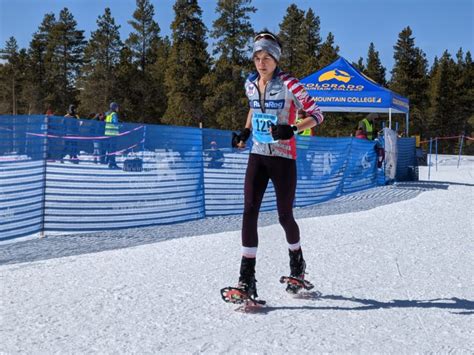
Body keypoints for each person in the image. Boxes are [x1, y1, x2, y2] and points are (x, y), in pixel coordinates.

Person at [230, 30, 324, 299]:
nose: (261, 63)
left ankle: (298, 265)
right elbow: (253, 107)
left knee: (284, 216)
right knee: (249, 211)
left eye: (267, 57)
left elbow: (317, 114)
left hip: (283, 158)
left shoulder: (290, 84)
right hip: (258, 155)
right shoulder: (250, 83)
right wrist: (246, 131)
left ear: (276, 58)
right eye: (257, 57)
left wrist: (292, 128)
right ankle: (246, 279)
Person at [104, 102, 120, 169]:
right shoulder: (114, 114)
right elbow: (115, 123)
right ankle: (112, 163)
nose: (118, 108)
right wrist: (120, 125)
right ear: (114, 107)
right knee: (113, 149)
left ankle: (109, 161)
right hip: (113, 134)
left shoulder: (108, 114)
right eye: (117, 107)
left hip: (107, 134)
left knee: (109, 149)